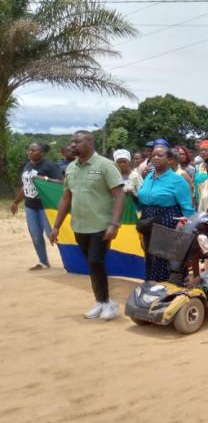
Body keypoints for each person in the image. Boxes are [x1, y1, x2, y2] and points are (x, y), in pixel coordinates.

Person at [49, 131, 125, 320]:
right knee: (92, 265)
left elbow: (119, 195)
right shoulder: (71, 168)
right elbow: (66, 197)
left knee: (95, 261)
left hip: (101, 225)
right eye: (71, 142)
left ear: (90, 143)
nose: (72, 145)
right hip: (79, 226)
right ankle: (101, 302)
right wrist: (57, 226)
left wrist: (114, 223)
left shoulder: (106, 166)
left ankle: (108, 304)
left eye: (77, 141)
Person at [137, 145, 195, 282]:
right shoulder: (148, 177)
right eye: (154, 155)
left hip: (167, 221)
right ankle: (151, 286)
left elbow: (187, 208)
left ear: (169, 160)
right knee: (150, 256)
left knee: (164, 259)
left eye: (160, 155)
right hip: (148, 220)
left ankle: (166, 290)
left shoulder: (177, 180)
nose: (155, 157)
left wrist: (182, 227)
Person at [10, 142, 63, 270]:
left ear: (42, 153)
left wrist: (44, 179)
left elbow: (61, 182)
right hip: (30, 206)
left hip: (46, 206)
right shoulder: (27, 166)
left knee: (52, 234)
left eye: (33, 150)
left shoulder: (49, 166)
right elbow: (25, 186)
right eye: (29, 150)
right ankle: (43, 262)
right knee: (35, 235)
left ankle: (74, 259)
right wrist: (16, 202)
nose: (30, 152)